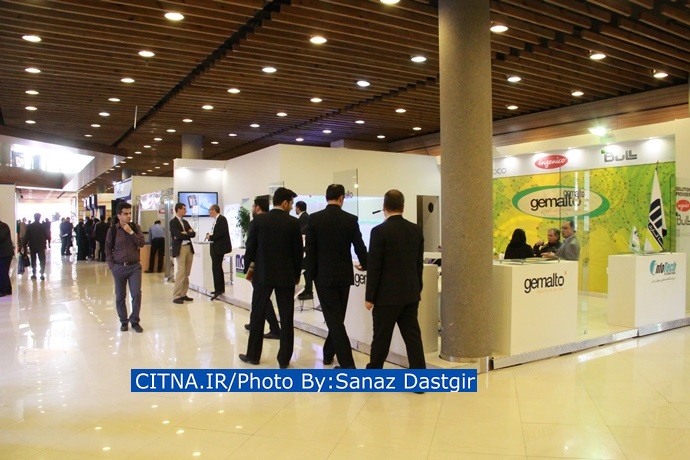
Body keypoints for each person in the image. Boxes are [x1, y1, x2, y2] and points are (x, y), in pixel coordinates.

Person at [305, 184, 367, 368]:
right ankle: (328, 353)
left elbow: (310, 251)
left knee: (335, 320)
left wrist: (309, 278)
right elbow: (360, 246)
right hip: (343, 277)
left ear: (327, 197)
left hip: (323, 277)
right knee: (337, 319)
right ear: (341, 198)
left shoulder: (315, 219)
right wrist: (366, 264)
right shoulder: (350, 219)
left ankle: (348, 366)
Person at [239, 187, 302, 368]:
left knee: (258, 314)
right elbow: (298, 253)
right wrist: (296, 275)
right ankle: (284, 359)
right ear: (285, 203)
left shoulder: (258, 221)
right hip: (286, 277)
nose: (292, 207)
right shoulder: (293, 223)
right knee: (287, 317)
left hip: (262, 275)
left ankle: (253, 355)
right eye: (291, 203)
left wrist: (249, 272)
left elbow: (250, 249)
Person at [365, 190, 426, 370]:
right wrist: (417, 288)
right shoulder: (416, 230)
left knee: (381, 338)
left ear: (384, 207)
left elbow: (375, 267)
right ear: (403, 207)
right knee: (413, 338)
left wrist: (370, 296)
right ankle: (420, 375)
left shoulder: (379, 231)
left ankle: (374, 373)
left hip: (386, 297)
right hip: (410, 294)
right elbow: (418, 264)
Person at [243, 197, 281, 339]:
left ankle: (275, 328)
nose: (252, 208)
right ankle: (254, 323)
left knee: (261, 298)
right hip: (272, 266)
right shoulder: (274, 221)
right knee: (258, 298)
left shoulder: (256, 222)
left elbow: (250, 247)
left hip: (259, 268)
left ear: (258, 207)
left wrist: (248, 268)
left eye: (253, 205)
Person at [105, 202, 145, 332]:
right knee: (120, 296)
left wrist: (131, 232)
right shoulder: (113, 230)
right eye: (125, 214)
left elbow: (142, 243)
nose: (128, 216)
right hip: (119, 267)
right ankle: (123, 321)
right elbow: (107, 249)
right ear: (119, 215)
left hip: (134, 267)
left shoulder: (135, 227)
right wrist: (112, 266)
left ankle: (135, 321)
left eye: (130, 213)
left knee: (136, 294)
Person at [170, 202, 196, 304]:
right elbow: (177, 235)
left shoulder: (185, 222)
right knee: (181, 272)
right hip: (180, 248)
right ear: (178, 209)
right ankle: (176, 295)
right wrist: (186, 233)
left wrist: (185, 233)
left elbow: (193, 234)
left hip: (189, 247)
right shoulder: (173, 222)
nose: (185, 210)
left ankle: (183, 294)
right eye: (184, 209)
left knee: (187, 272)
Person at [206, 205, 231, 300]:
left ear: (214, 210)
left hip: (219, 248)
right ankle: (218, 288)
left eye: (210, 210)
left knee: (216, 268)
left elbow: (222, 233)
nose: (209, 212)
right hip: (214, 247)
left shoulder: (222, 219)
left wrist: (211, 237)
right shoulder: (216, 220)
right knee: (216, 268)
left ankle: (219, 290)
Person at [295, 200, 314, 300]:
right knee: (306, 270)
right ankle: (308, 289)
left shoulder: (304, 218)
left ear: (298, 208)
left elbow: (303, 234)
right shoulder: (306, 217)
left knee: (306, 270)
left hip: (305, 249)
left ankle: (308, 290)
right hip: (306, 249)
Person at [23, 213, 48, 280]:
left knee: (33, 260)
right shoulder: (43, 226)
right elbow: (46, 235)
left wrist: (23, 245)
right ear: (39, 218)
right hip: (41, 246)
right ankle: (42, 273)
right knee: (42, 260)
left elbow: (26, 237)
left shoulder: (30, 226)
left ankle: (34, 274)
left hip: (32, 246)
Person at [0, 218, 14, 297]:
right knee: (4, 271)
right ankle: (8, 289)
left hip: (5, 254)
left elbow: (1, 237)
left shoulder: (3, 226)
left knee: (2, 272)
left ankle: (2, 291)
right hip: (4, 253)